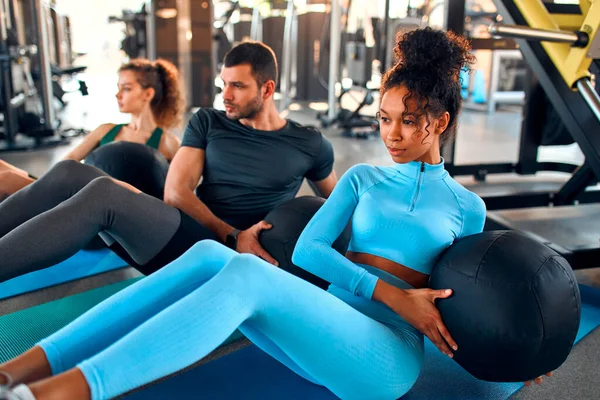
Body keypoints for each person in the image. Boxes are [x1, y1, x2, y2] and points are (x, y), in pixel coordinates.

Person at [0, 29, 554, 400]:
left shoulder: (467, 206)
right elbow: (312, 250)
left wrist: (520, 342)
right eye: (385, 118)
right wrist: (389, 292)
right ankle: (16, 372)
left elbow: (470, 299)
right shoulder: (363, 178)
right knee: (209, 254)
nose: (392, 134)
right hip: (325, 319)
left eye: (409, 121)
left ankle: (55, 394)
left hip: (387, 356)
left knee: (242, 272)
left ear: (441, 120)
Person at [0, 41, 336, 282]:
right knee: (69, 171)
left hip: (231, 258)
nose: (226, 95)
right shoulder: (209, 121)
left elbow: (337, 206)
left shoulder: (308, 143)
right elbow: (176, 193)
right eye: (223, 84)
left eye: (237, 86)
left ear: (267, 89)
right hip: (199, 235)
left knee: (103, 194)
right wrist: (232, 234)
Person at [0, 58, 183, 199]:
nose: (117, 95)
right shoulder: (106, 130)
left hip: (106, 204)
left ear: (148, 94)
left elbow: (177, 191)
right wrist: (46, 185)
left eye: (126, 89)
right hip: (76, 193)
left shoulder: (168, 142)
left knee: (6, 180)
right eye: (118, 88)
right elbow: (69, 161)